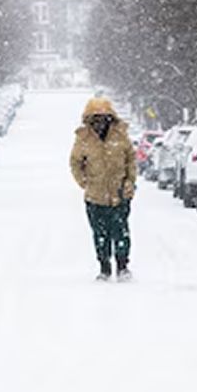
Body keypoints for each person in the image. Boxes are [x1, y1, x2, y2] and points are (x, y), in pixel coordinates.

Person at [69, 97, 137, 281]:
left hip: (120, 195)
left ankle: (122, 266)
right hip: (95, 197)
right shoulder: (83, 139)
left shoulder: (121, 136)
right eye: (95, 118)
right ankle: (104, 268)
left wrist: (130, 181)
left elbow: (131, 160)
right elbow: (75, 163)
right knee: (100, 234)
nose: (100, 122)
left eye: (104, 117)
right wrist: (85, 182)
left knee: (120, 231)